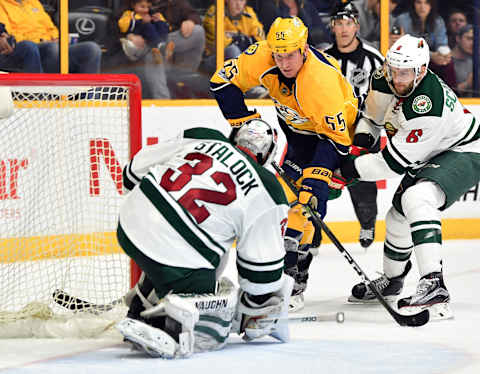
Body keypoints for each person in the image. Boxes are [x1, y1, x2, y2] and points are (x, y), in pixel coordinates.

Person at [210, 17, 359, 311]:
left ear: (303, 48)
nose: (283, 62)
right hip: (300, 134)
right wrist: (246, 124)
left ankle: (295, 274)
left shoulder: (321, 82)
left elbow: (337, 141)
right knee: (280, 202)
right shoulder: (262, 55)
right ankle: (282, 271)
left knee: (308, 201)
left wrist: (315, 180)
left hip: (338, 140)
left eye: (290, 54)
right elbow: (221, 81)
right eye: (278, 55)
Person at [115, 119, 293, 358]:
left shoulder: (201, 135)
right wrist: (255, 309)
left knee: (205, 248)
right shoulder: (268, 188)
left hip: (129, 222)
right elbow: (261, 278)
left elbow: (130, 175)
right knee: (212, 307)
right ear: (269, 156)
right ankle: (170, 327)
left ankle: (140, 304)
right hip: (174, 254)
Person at [341, 34, 480, 320]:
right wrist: (360, 145)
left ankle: (433, 284)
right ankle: (393, 280)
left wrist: (347, 170)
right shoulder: (384, 77)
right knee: (397, 217)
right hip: (433, 150)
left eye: (405, 72)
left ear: (422, 71)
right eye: (393, 70)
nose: (397, 78)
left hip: (466, 149)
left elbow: (391, 164)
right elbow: (372, 120)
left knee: (417, 197)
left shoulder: (428, 105)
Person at [324, 1, 384, 248]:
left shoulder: (373, 59)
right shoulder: (324, 59)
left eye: (349, 23)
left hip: (363, 132)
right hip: (331, 131)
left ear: (357, 26)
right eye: (339, 23)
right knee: (318, 180)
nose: (344, 29)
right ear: (333, 27)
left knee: (363, 183)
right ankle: (313, 232)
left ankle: (367, 223)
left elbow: (385, 95)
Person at [0, 0, 102, 74]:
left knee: (91, 49)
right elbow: (9, 36)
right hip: (22, 49)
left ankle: (87, 100)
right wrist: (41, 40)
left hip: (49, 45)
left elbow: (50, 27)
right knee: (45, 47)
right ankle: (41, 97)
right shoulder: (2, 4)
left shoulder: (33, 2)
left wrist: (55, 37)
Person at [393, 0, 456, 88]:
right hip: (409, 60)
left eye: (426, 3)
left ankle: (450, 94)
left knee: (448, 64)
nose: (422, 7)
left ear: (431, 5)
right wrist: (432, 55)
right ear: (413, 4)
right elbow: (406, 46)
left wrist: (444, 54)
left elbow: (441, 43)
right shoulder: (402, 20)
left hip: (431, 60)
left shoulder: (438, 21)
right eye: (419, 2)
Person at [202, 0, 265, 74]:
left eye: (241, 0)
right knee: (233, 50)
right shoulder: (215, 12)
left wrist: (241, 41)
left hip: (242, 57)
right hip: (213, 60)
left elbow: (260, 40)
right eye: (234, 0)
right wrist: (245, 41)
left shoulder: (249, 12)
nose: (238, 4)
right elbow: (225, 45)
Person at [151, 0, 206, 72]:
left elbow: (192, 14)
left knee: (198, 31)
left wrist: (191, 21)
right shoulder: (139, 5)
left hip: (173, 44)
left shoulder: (175, 2)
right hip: (152, 45)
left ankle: (184, 76)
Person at [118, 0, 171, 64]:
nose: (146, 10)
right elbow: (122, 26)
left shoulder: (153, 14)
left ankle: (160, 50)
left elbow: (167, 28)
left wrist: (158, 21)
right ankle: (160, 47)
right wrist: (140, 21)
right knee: (147, 26)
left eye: (148, 7)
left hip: (152, 39)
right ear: (133, 6)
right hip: (138, 37)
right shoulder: (130, 14)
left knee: (160, 24)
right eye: (142, 7)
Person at [452, 24, 474, 97]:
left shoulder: (474, 62)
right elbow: (444, 95)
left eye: (475, 40)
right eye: (469, 38)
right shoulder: (445, 62)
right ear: (458, 38)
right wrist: (468, 83)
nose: (473, 43)